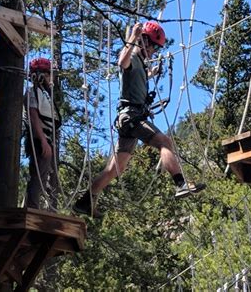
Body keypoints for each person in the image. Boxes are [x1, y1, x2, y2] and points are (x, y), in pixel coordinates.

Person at [73, 21, 205, 217]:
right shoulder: (133, 56)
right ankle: (181, 183)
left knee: (116, 168)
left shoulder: (140, 64)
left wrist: (151, 73)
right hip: (131, 117)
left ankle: (85, 201)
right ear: (144, 42)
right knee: (164, 142)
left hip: (129, 119)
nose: (153, 52)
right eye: (153, 47)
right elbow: (122, 62)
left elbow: (135, 78)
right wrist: (133, 38)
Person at [24, 57, 61, 210]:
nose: (49, 78)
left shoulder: (44, 94)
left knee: (44, 175)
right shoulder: (33, 92)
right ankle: (32, 208)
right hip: (40, 140)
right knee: (38, 176)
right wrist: (44, 141)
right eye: (47, 74)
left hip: (45, 139)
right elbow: (33, 116)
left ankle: (33, 207)